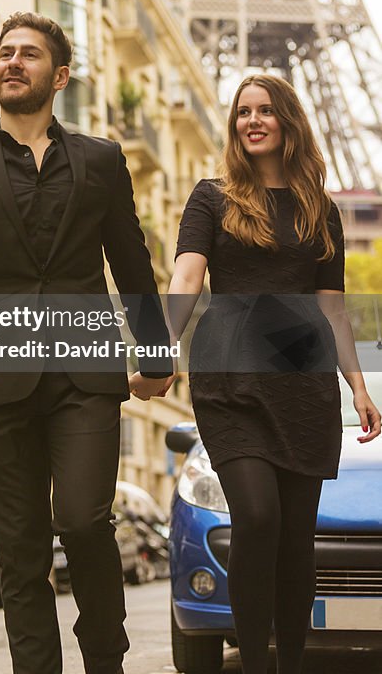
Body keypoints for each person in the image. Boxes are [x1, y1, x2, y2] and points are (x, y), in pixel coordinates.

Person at [0, 12, 173, 674]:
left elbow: (131, 263)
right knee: (20, 555)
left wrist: (154, 352)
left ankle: (104, 661)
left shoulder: (100, 161)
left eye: (28, 54)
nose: (11, 62)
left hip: (84, 371)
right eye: (4, 53)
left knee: (85, 521)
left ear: (57, 76)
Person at [130, 73, 380, 674]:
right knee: (259, 515)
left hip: (302, 381)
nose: (253, 120)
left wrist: (358, 384)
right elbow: (188, 276)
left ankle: (289, 664)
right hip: (230, 376)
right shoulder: (211, 197)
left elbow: (333, 307)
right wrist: (161, 346)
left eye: (266, 110)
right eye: (243, 112)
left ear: (288, 120)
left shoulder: (320, 209)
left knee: (296, 540)